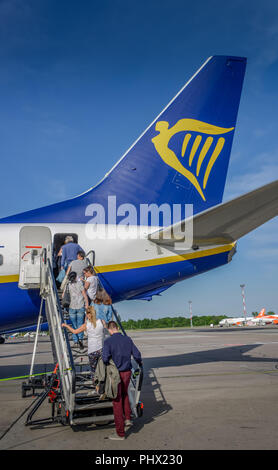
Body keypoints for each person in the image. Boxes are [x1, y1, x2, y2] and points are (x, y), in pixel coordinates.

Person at [102, 321, 142, 440]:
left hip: (115, 374)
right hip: (127, 372)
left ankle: (120, 433)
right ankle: (128, 419)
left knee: (116, 401)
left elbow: (104, 358)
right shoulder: (127, 339)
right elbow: (137, 354)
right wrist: (140, 362)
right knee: (125, 395)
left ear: (109, 330)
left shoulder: (108, 341)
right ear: (117, 328)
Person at [62, 306, 105, 383]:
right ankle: (103, 386)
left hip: (92, 351)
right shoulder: (101, 321)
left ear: (88, 314)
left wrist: (66, 326)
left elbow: (75, 332)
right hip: (101, 350)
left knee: (93, 371)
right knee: (102, 369)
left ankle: (97, 387)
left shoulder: (86, 325)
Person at [63, 271, 89, 350]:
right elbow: (84, 294)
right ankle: (80, 339)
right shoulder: (80, 283)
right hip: (80, 305)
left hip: (72, 307)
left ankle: (75, 340)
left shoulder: (68, 285)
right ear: (75, 277)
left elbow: (63, 295)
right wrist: (87, 303)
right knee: (80, 324)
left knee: (74, 325)